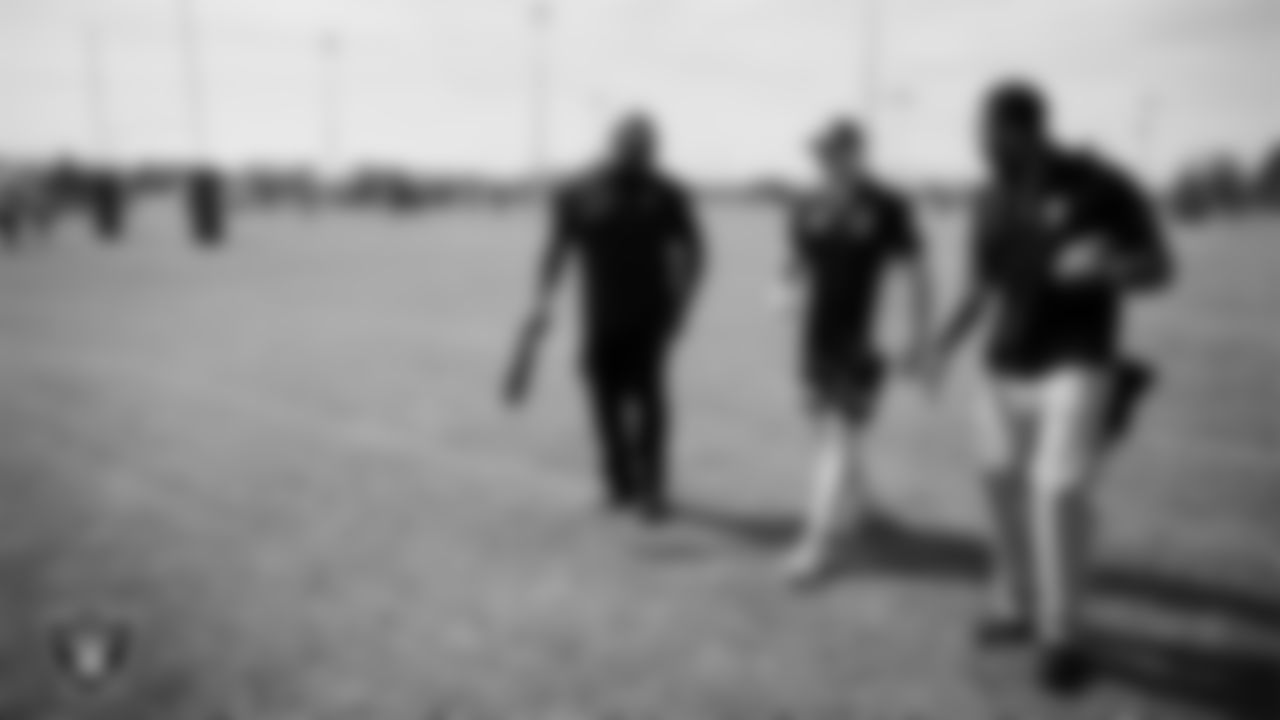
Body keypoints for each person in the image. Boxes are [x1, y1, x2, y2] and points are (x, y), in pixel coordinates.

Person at [931, 81, 1174, 692]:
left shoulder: (1100, 184)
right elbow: (979, 285)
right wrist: (941, 345)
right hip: (1004, 366)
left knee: (1057, 491)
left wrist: (1109, 266)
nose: (979, 143)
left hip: (1078, 361)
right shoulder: (989, 197)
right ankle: (1015, 602)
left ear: (1027, 130)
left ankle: (1062, 637)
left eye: (989, 132)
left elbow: (1160, 267)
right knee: (999, 486)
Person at [506, 113, 707, 522]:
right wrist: (543, 299)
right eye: (635, 145)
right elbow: (557, 249)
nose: (644, 153)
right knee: (603, 401)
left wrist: (682, 306)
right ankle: (618, 483)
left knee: (649, 401)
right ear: (615, 144)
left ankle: (652, 489)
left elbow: (695, 252)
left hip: (652, 317)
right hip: (599, 316)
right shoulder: (578, 191)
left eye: (648, 145)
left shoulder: (667, 193)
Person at [780, 118, 934, 583]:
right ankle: (867, 510)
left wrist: (916, 333)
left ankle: (817, 545)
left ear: (856, 153)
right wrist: (782, 287)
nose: (825, 159)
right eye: (820, 152)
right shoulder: (806, 203)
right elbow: (795, 260)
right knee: (827, 431)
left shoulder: (886, 205)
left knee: (838, 433)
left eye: (834, 151)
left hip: (867, 337)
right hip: (815, 338)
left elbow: (916, 269)